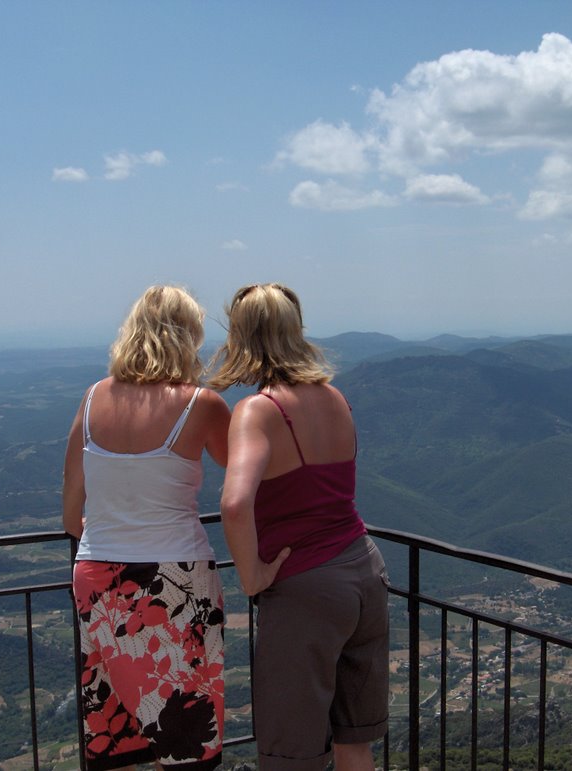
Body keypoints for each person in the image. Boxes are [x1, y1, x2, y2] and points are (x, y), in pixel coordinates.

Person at [210, 283, 389, 771]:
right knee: (355, 742)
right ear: (295, 330)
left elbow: (234, 503)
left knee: (294, 753)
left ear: (243, 336)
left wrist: (253, 576)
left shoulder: (260, 410)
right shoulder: (334, 396)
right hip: (365, 572)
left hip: (307, 586)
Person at [63, 285, 231, 771]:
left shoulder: (93, 398)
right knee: (184, 737)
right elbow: (243, 484)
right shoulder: (202, 403)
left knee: (116, 728)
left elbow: (70, 515)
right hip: (175, 581)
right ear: (189, 336)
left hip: (97, 575)